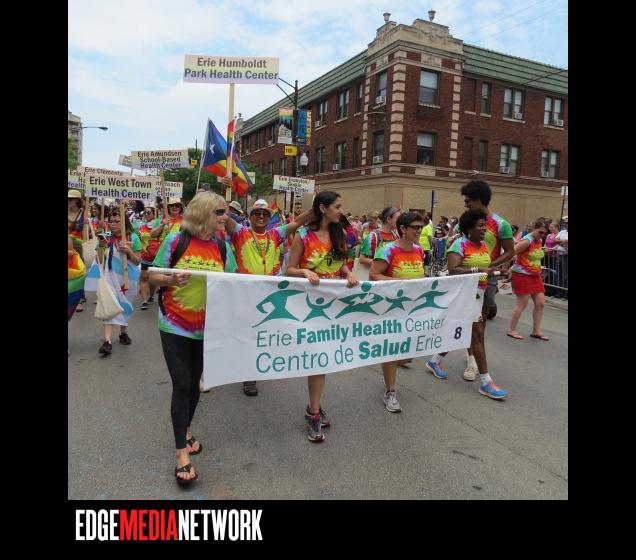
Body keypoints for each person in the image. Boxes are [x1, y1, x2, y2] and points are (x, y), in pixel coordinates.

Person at [149, 192, 229, 486]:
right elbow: (151, 276)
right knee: (182, 383)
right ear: (203, 213)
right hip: (174, 323)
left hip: (206, 327)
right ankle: (181, 452)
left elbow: (235, 282)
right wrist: (170, 279)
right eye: (220, 212)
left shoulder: (222, 245)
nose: (225, 217)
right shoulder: (176, 240)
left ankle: (184, 429)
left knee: (194, 383)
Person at [286, 191, 359, 442]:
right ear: (323, 208)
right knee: (318, 358)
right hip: (308, 307)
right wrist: (304, 271)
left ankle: (314, 406)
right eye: (337, 207)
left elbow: (340, 263)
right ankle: (314, 413)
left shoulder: (340, 234)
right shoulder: (304, 235)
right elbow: (289, 269)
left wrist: (348, 273)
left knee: (324, 359)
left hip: (333, 306)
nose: (341, 211)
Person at [225, 196, 314, 396]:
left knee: (259, 334)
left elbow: (299, 221)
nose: (261, 217)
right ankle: (224, 365)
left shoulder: (276, 234)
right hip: (244, 293)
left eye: (265, 214)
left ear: (269, 217)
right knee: (243, 334)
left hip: (268, 294)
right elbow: (224, 216)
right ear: (250, 216)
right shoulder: (240, 232)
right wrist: (222, 195)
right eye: (256, 213)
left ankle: (249, 375)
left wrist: (318, 207)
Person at [427, 209, 508, 400]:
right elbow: (454, 270)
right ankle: (486, 382)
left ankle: (434, 360)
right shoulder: (459, 244)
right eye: (481, 226)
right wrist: (480, 270)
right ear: (469, 228)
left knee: (460, 331)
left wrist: (500, 272)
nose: (485, 229)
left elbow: (486, 268)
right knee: (477, 334)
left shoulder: (482, 245)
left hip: (478, 293)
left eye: (485, 226)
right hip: (464, 295)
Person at [458, 180, 514, 381]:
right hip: (467, 276)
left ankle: (469, 354)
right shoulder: (466, 220)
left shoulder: (501, 224)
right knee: (470, 320)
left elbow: (509, 251)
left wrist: (491, 265)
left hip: (487, 279)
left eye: (468, 201)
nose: (465, 204)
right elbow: (459, 244)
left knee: (480, 321)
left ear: (480, 200)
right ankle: (471, 360)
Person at [370, 212, 425, 412]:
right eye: (415, 227)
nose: (419, 231)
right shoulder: (388, 250)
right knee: (392, 350)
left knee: (406, 355)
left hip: (413, 309)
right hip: (391, 308)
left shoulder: (419, 250)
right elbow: (374, 275)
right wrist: (399, 282)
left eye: (421, 227)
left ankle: (388, 364)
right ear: (403, 229)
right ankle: (390, 391)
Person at [92, 209, 142, 356]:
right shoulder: (106, 237)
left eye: (117, 221)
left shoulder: (133, 237)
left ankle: (123, 332)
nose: (113, 224)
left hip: (129, 278)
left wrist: (129, 251)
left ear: (124, 222)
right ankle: (107, 341)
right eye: (111, 221)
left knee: (125, 305)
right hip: (110, 276)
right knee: (110, 304)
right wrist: (101, 245)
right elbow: (98, 260)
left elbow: (138, 261)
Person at [507, 219, 550, 341]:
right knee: (522, 303)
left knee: (540, 303)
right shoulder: (527, 241)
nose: (542, 235)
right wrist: (507, 269)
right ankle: (512, 329)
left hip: (535, 275)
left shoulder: (539, 240)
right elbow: (510, 253)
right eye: (540, 232)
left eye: (544, 233)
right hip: (522, 274)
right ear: (534, 229)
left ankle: (536, 331)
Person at [68, 189, 86, 312]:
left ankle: (79, 298)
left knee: (78, 270)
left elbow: (88, 233)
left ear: (77, 201)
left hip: (78, 246)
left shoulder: (84, 213)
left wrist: (88, 224)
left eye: (71, 199)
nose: (68, 201)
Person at [138, 206, 158, 310]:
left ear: (154, 214)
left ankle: (152, 296)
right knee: (144, 278)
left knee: (153, 280)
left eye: (148, 212)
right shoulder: (141, 226)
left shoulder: (159, 226)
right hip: (145, 257)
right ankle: (144, 300)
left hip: (156, 258)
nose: (146, 214)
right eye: (144, 213)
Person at [553, 216, 568, 299]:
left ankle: (566, 294)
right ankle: (559, 293)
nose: (566, 224)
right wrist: (563, 242)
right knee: (559, 274)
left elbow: (566, 241)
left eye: (567, 223)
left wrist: (562, 242)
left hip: (566, 256)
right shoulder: (562, 232)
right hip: (560, 254)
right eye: (565, 223)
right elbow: (554, 240)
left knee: (566, 275)